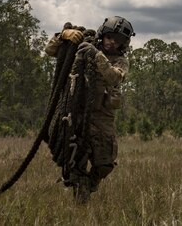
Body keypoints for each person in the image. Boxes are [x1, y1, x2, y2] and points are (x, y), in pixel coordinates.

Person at [45, 16, 135, 204]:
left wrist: (96, 55)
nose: (112, 43)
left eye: (118, 41)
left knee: (105, 164)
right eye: (110, 37)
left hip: (103, 117)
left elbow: (114, 78)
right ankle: (80, 192)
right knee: (75, 157)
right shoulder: (83, 47)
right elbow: (51, 50)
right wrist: (63, 36)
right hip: (77, 112)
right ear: (103, 34)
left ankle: (89, 184)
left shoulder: (120, 61)